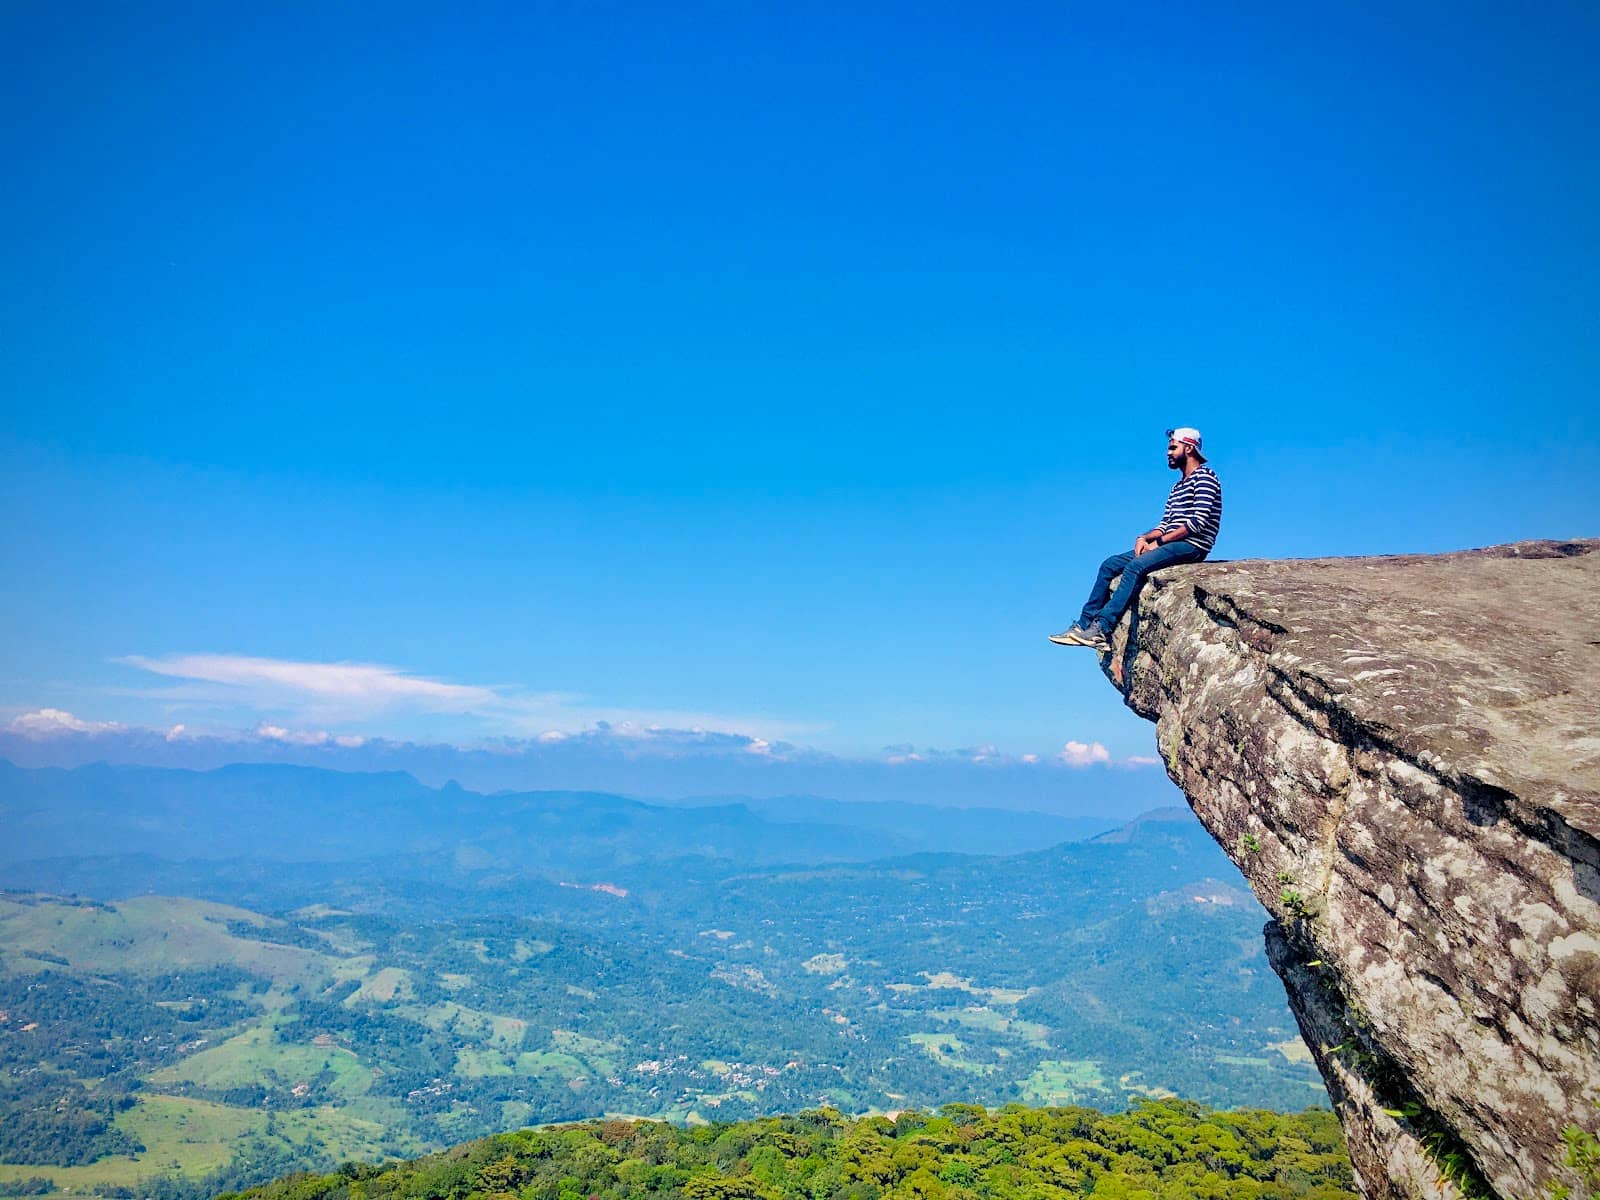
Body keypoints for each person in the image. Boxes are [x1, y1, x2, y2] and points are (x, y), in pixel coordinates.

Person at [1050, 427, 1222, 652]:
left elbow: (1196, 523)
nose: (1168, 453)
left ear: (1189, 448)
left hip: (1192, 545)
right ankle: (1083, 626)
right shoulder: (1177, 486)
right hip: (1171, 541)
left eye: (1173, 447)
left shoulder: (1205, 477)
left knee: (1135, 567)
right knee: (1110, 564)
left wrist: (1158, 544)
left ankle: (1101, 629)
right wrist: (1144, 537)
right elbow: (1165, 524)